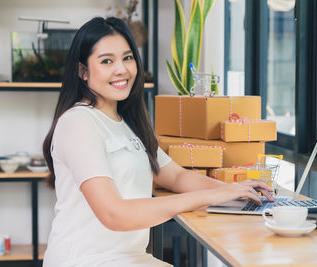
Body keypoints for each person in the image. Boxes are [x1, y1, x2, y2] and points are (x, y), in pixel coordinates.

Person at [42, 16, 274, 267]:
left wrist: (236, 193)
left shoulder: (129, 123)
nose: (122, 69)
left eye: (127, 58)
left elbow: (175, 176)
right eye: (107, 61)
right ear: (83, 71)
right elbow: (113, 214)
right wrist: (211, 197)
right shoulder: (78, 122)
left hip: (130, 259)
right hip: (87, 260)